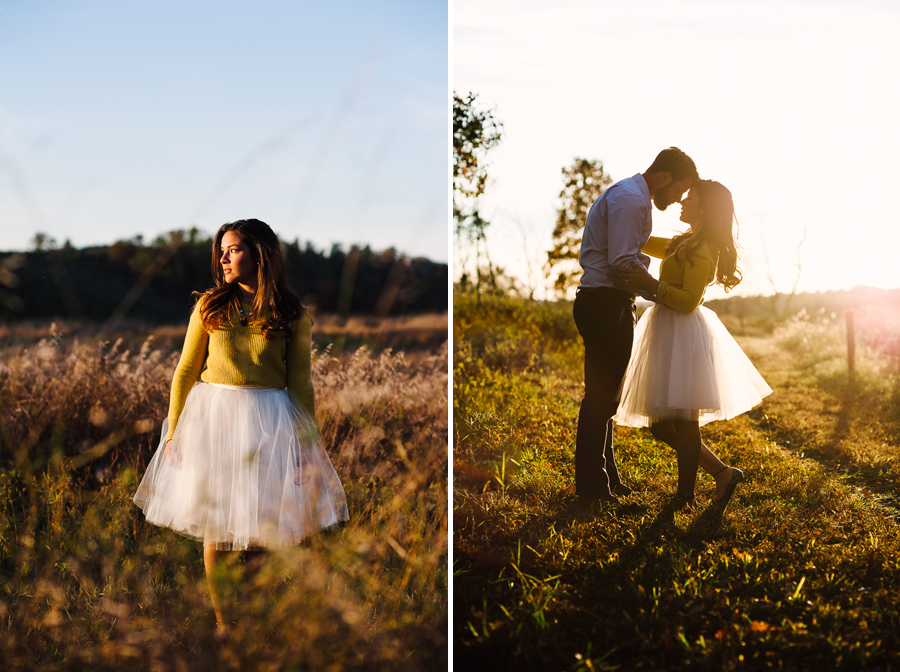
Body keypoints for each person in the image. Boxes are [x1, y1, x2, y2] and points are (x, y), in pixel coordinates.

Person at [133, 218, 349, 632]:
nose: (223, 257)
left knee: (260, 534)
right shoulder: (211, 306)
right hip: (213, 420)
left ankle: (253, 622)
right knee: (217, 528)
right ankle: (224, 625)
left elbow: (301, 384)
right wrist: (175, 431)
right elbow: (184, 372)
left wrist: (308, 445)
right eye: (222, 250)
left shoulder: (292, 313)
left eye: (233, 249)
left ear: (259, 254)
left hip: (271, 422)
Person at [616, 180, 772, 511]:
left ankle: (684, 496)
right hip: (665, 329)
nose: (681, 203)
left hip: (683, 331)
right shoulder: (683, 242)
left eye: (689, 198)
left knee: (686, 421)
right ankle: (723, 472)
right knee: (660, 426)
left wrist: (652, 285)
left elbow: (689, 301)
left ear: (703, 207)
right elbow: (643, 241)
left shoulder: (704, 249)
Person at [573, 147, 699, 506]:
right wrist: (664, 294)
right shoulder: (631, 200)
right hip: (605, 303)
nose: (676, 200)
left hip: (608, 302)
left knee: (607, 397)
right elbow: (624, 264)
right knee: (600, 399)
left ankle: (606, 479)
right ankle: (593, 490)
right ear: (664, 178)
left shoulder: (631, 195)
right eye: (677, 191)